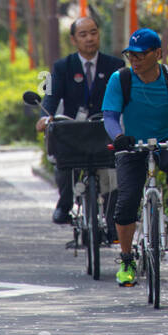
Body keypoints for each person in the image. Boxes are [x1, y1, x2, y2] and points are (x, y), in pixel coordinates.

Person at [102, 27, 168, 288]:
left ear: (158, 54)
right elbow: (109, 115)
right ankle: (127, 259)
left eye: (141, 55)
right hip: (131, 146)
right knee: (127, 201)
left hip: (165, 141)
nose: (135, 60)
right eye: (131, 54)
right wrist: (118, 136)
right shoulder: (120, 79)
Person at [37, 16, 123, 232]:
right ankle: (64, 205)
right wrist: (44, 116)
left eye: (93, 32)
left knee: (115, 169)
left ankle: (112, 216)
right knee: (63, 162)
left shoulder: (116, 65)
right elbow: (49, 96)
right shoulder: (60, 67)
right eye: (83, 35)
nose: (90, 39)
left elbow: (124, 97)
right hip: (74, 131)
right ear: (74, 39)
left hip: (104, 129)